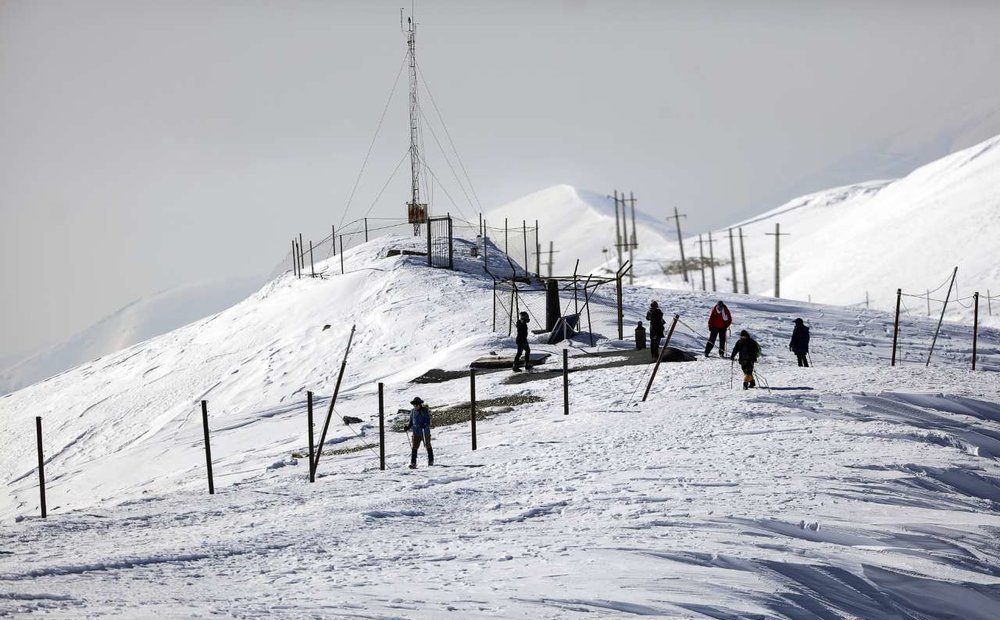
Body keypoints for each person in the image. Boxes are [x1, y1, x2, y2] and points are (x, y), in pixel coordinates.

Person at [405, 397, 433, 468]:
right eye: (414, 405)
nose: (415, 406)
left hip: (424, 431)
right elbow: (411, 421)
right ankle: (413, 463)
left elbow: (428, 420)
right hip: (416, 432)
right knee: (414, 447)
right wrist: (408, 427)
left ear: (420, 404)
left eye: (417, 405)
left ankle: (430, 461)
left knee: (427, 445)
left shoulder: (424, 411)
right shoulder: (413, 412)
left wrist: (425, 424)